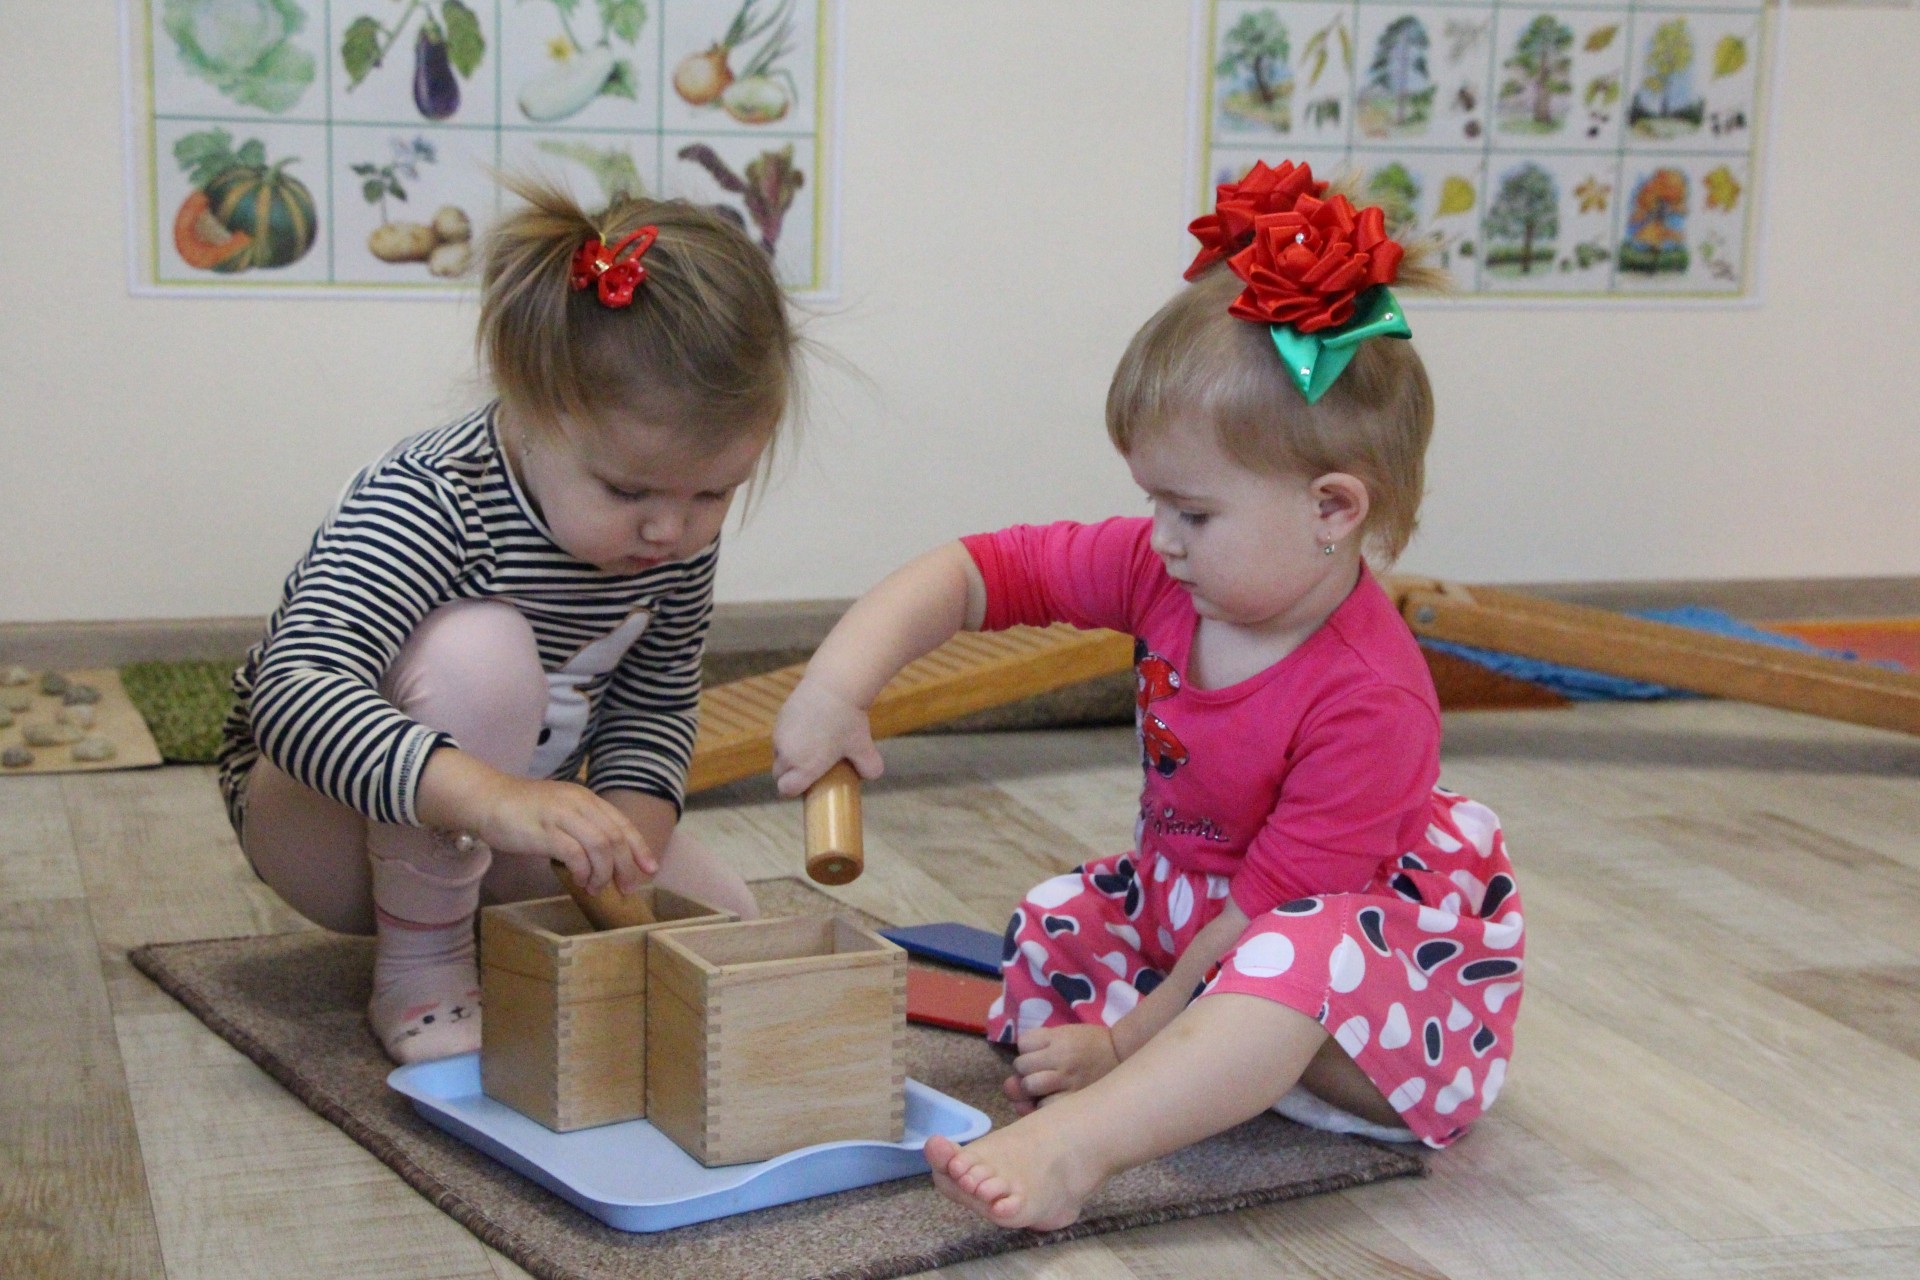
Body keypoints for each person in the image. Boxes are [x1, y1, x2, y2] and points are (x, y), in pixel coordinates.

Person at [770, 161, 1523, 1230]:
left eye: (1193, 513)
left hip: (1369, 1019)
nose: (1160, 537)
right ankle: (1182, 1078)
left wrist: (1125, 1042)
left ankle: (1083, 1145)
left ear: (1332, 508)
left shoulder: (1372, 700)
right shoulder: (1165, 571)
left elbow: (1262, 922)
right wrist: (837, 683)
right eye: (1152, 502)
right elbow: (977, 571)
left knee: (1288, 955)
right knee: (1059, 917)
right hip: (1199, 927)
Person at [218, 177, 794, 1064]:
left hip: (505, 825)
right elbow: (292, 698)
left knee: (726, 931)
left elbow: (655, 703)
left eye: (714, 493)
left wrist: (621, 852)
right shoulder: (430, 497)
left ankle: (483, 920)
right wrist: (494, 799)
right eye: (627, 490)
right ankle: (424, 963)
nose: (669, 530)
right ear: (528, 405)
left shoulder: (669, 532)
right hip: (324, 830)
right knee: (479, 655)